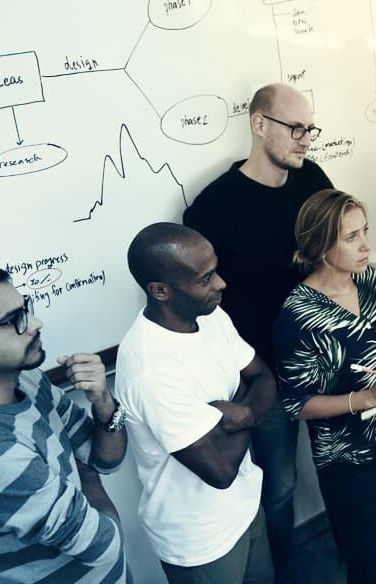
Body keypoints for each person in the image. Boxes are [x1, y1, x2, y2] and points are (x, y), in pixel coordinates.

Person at [184, 83, 333, 584]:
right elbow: (203, 304)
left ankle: (361, 541)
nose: (305, 139)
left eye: (309, 129)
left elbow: (337, 244)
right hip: (263, 373)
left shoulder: (312, 179)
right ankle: (284, 574)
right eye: (295, 128)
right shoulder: (212, 210)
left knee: (345, 460)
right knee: (280, 488)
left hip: (323, 355)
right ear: (259, 124)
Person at [0, 261, 129, 583]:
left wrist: (103, 403)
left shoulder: (26, 378)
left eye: (24, 309)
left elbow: (106, 458)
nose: (35, 323)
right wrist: (88, 477)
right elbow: (104, 545)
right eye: (13, 320)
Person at [117, 223, 277, 584]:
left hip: (247, 506)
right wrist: (248, 407)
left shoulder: (212, 317)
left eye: (215, 270)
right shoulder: (149, 368)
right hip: (198, 538)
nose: (221, 283)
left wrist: (241, 412)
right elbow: (219, 470)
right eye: (205, 279)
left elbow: (265, 378)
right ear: (161, 291)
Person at [272, 190, 376, 583]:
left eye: (365, 231)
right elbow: (296, 405)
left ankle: (359, 544)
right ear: (320, 245)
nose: (367, 245)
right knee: (368, 569)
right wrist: (368, 398)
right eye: (351, 237)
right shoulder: (297, 315)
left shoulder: (369, 278)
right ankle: (362, 552)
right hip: (347, 456)